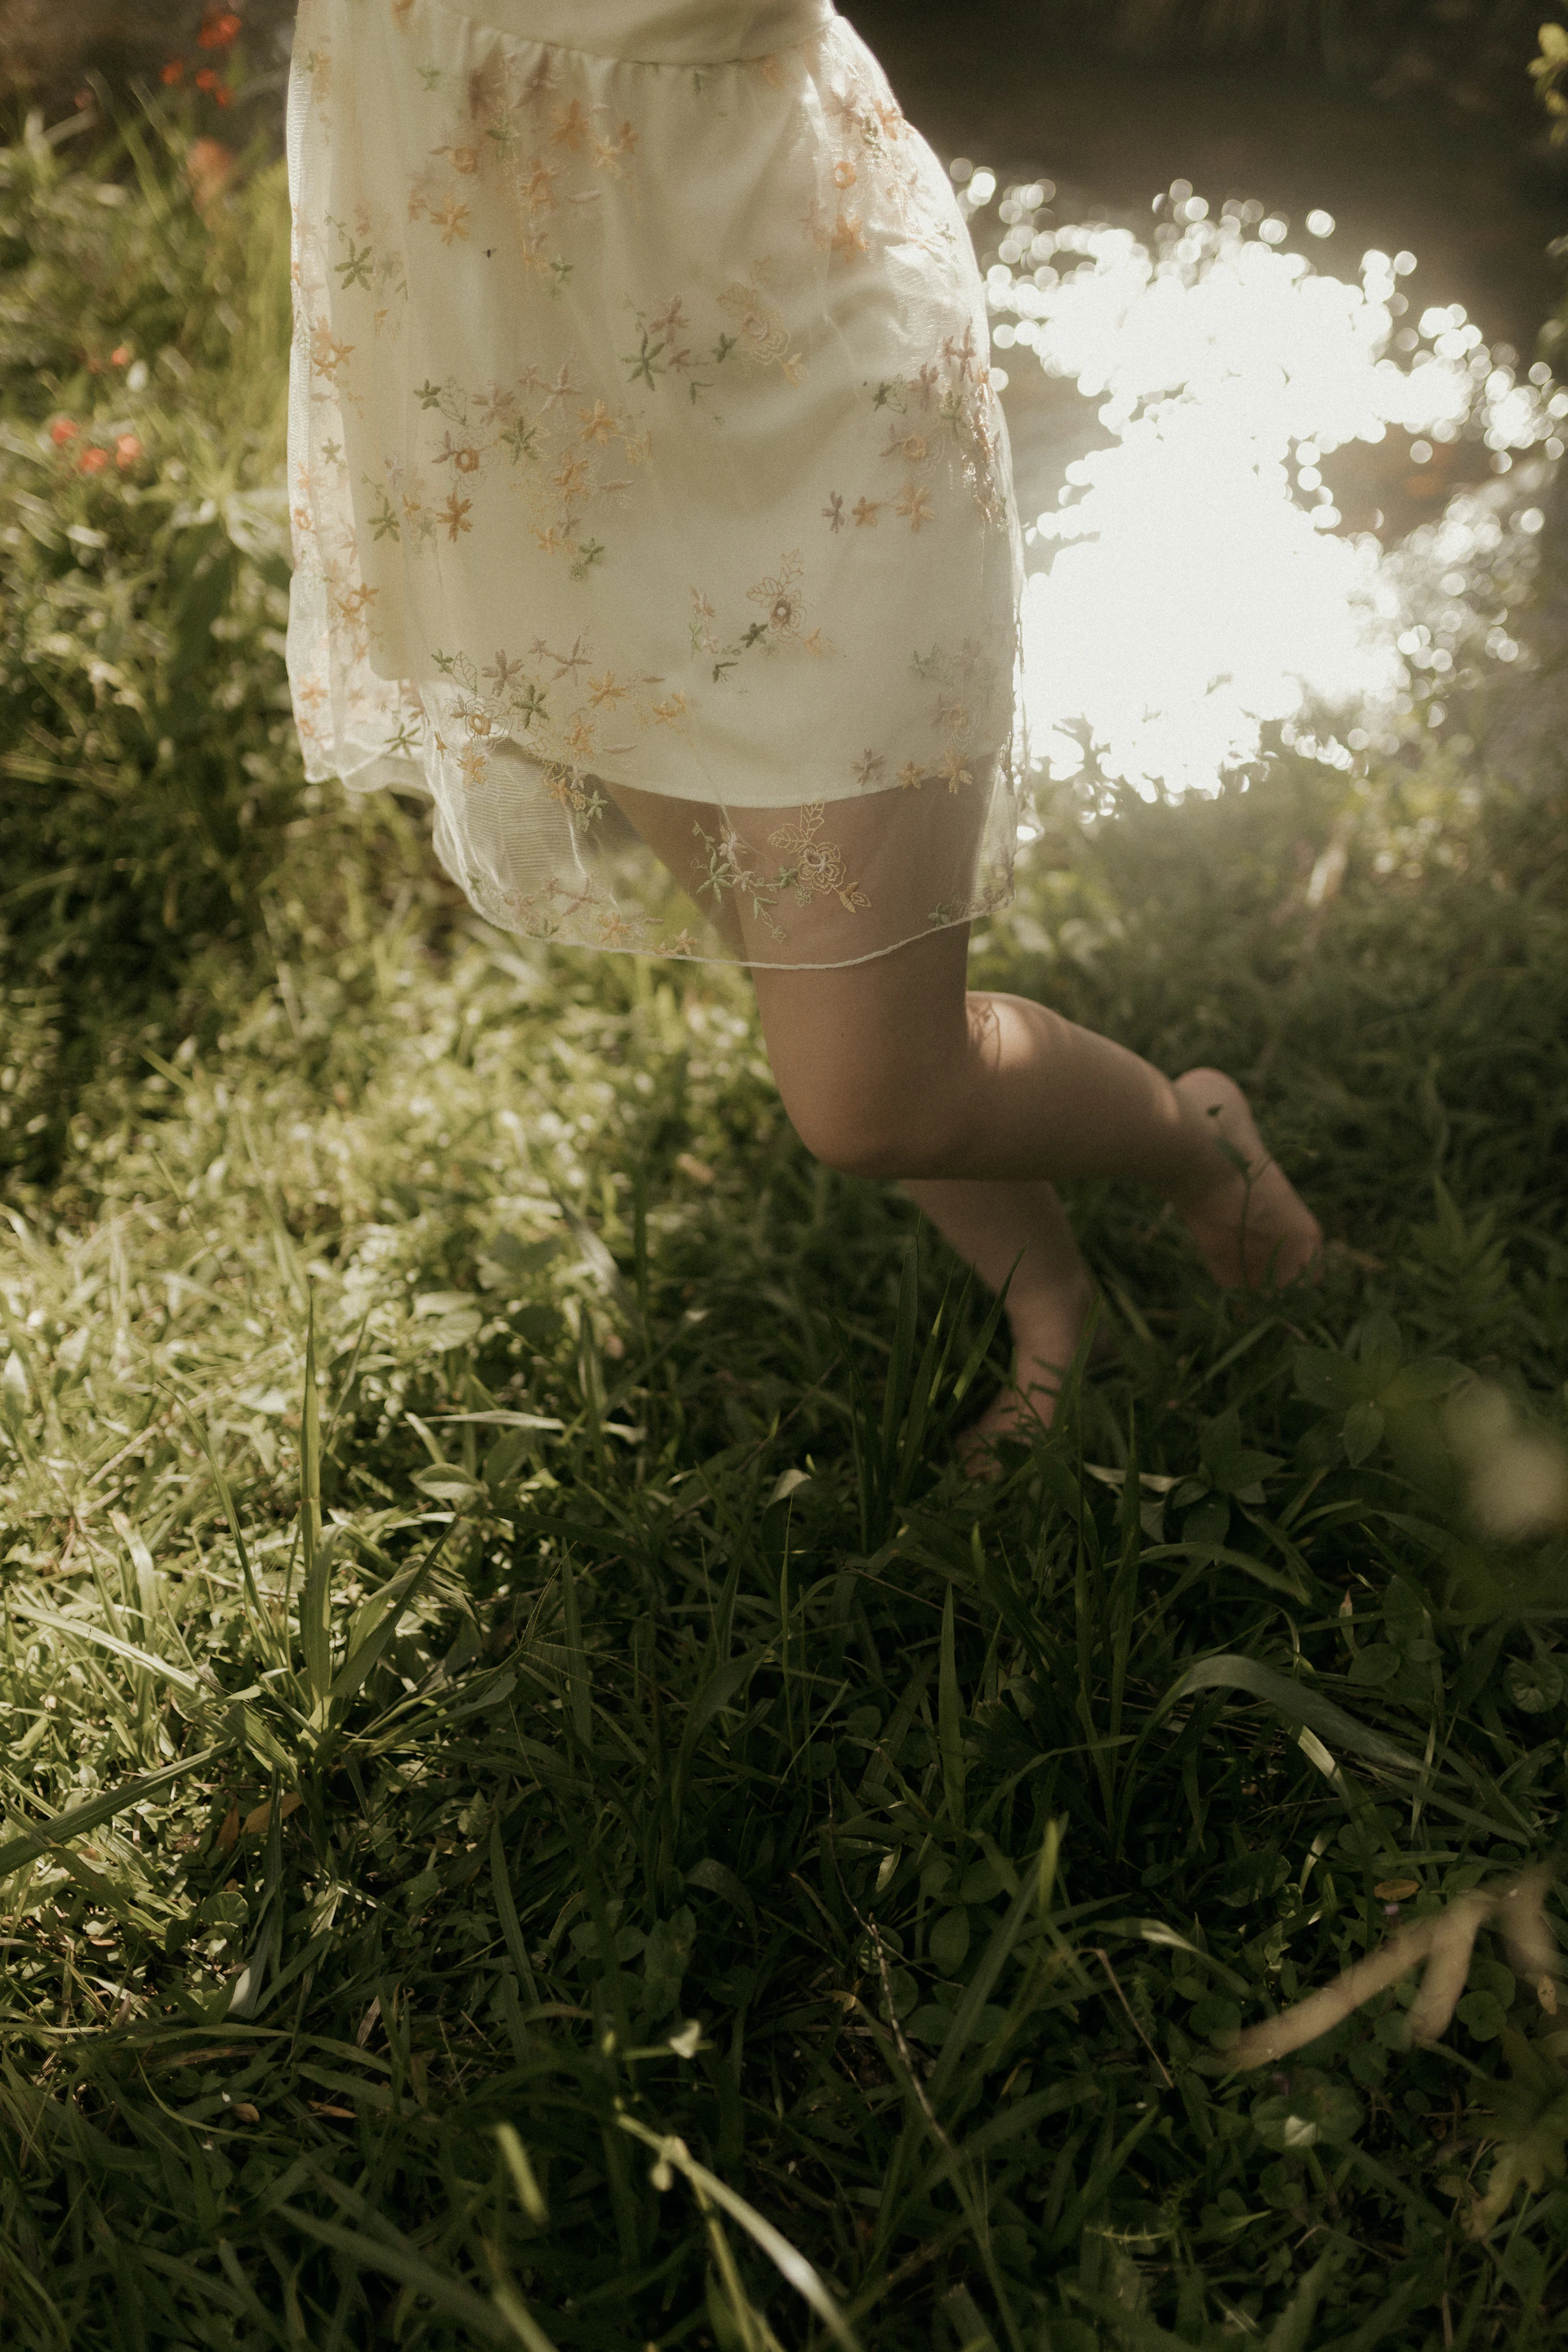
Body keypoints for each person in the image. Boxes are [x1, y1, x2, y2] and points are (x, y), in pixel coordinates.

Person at [284, 0, 1322, 1463]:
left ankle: (1196, 1150)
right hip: (537, 431)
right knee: (816, 988)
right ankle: (1054, 1302)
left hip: (799, 411)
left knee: (868, 1098)